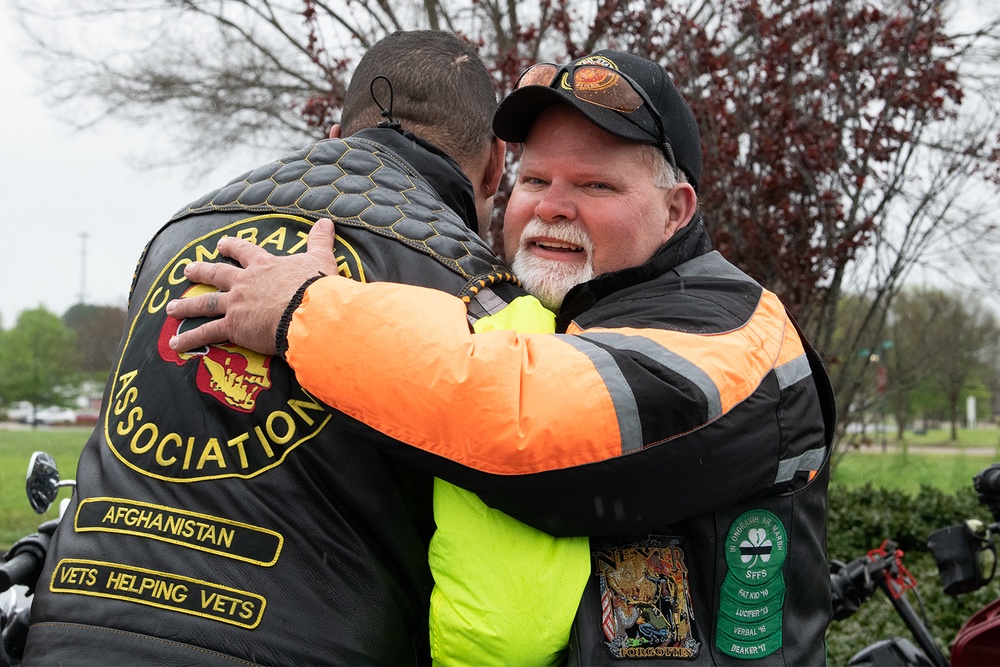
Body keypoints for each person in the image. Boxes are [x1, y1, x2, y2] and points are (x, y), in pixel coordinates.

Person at [170, 49, 838, 665]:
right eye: (536, 177)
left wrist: (304, 311)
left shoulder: (737, 330)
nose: (552, 206)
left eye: (596, 187)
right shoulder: (555, 317)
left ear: (675, 209)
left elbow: (526, 419)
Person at [23, 30, 587, 666]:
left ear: (335, 140)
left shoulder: (176, 233)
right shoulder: (484, 292)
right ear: (493, 167)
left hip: (67, 633)